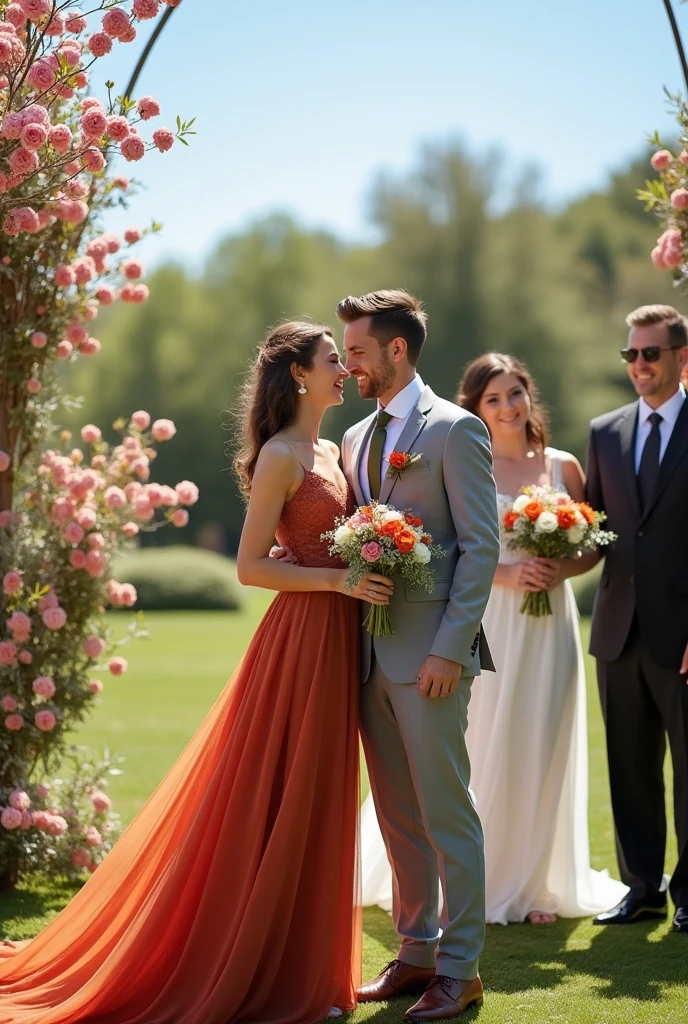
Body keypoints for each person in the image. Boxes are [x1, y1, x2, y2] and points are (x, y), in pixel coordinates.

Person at [0, 321, 395, 1024]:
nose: (345, 368)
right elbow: (250, 567)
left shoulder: (336, 448)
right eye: (334, 359)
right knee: (284, 793)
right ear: (300, 375)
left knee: (322, 795)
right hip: (302, 639)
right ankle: (269, 972)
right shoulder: (281, 456)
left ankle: (311, 973)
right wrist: (338, 584)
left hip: (340, 637)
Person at [360, 353, 626, 926]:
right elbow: (456, 546)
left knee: (542, 737)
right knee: (482, 743)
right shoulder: (469, 454)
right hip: (488, 621)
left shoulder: (563, 466)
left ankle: (534, 885)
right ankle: (479, 878)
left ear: (530, 397)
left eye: (515, 394)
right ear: (476, 406)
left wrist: (562, 568)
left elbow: (595, 546)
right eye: (493, 399)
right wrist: (507, 574)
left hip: (550, 625)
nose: (508, 407)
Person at [339, 291, 500, 1022]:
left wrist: (451, 649)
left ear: (397, 351)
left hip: (431, 656)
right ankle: (417, 954)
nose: (349, 364)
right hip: (368, 655)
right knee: (399, 818)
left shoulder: (456, 429)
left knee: (446, 814)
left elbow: (479, 547)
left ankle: (461, 970)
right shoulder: (353, 436)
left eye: (359, 352)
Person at [586, 304, 688, 935]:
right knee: (629, 766)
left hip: (682, 636)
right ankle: (642, 889)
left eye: (651, 352)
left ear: (682, 356)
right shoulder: (604, 432)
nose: (640, 364)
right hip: (617, 630)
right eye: (631, 354)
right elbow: (595, 528)